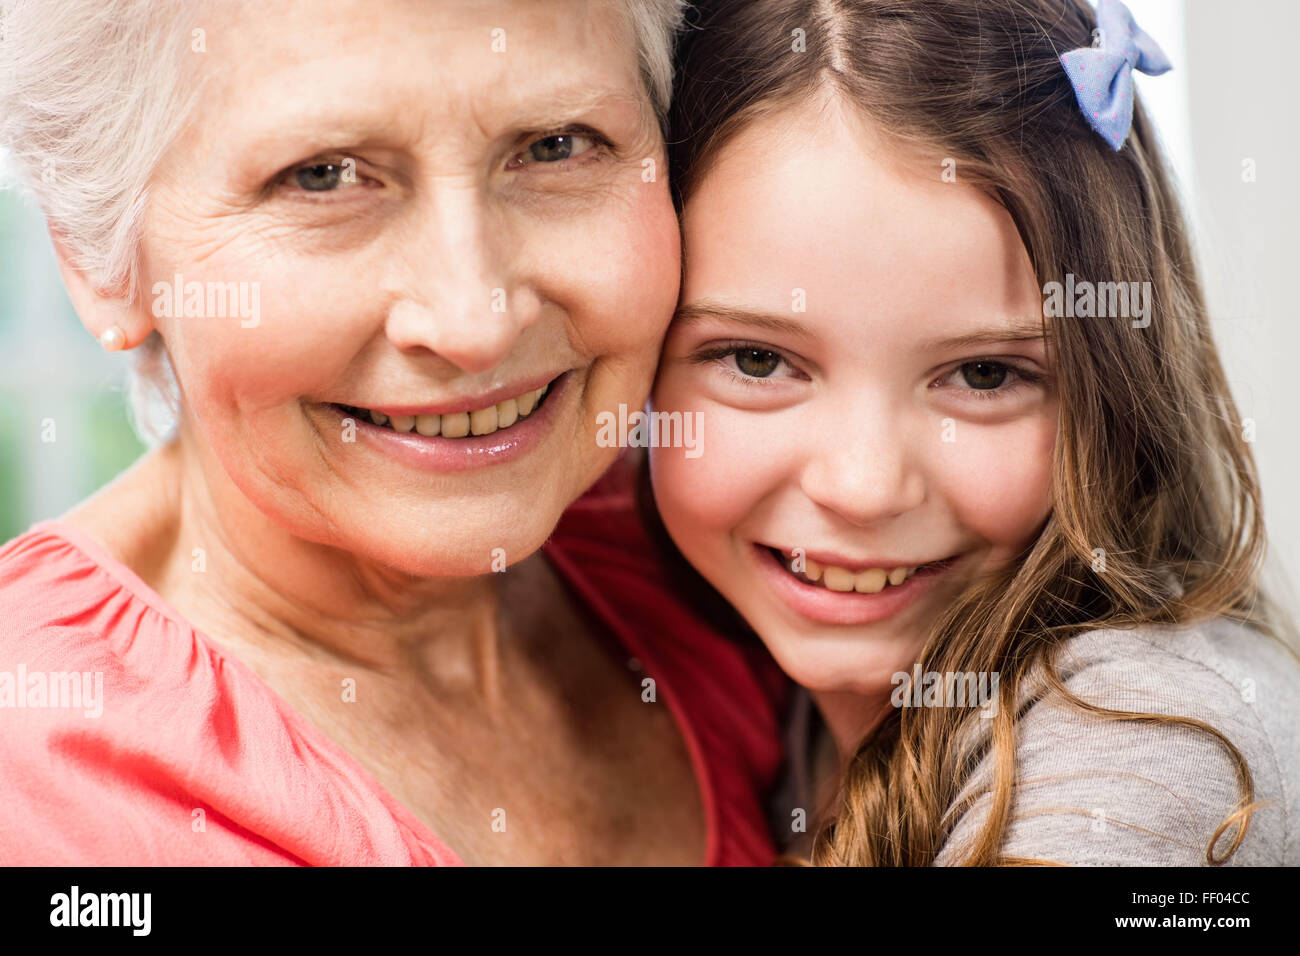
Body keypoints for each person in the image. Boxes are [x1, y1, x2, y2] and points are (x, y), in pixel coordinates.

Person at [0, 0, 788, 866]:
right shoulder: (37, 778)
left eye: (555, 145)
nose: (475, 322)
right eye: (325, 176)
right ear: (94, 255)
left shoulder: (719, 554)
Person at [646, 0, 1300, 865]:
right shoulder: (768, 707)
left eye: (985, 375)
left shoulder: (1152, 745)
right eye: (759, 361)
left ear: (1114, 392)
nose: (865, 485)